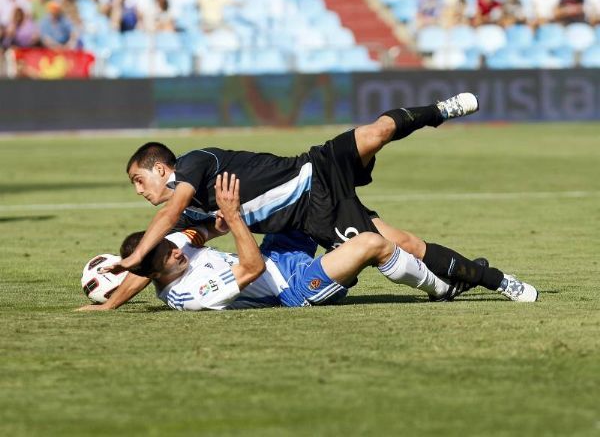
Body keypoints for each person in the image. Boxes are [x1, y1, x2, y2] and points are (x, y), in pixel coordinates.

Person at [100, 93, 537, 306]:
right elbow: (154, 266)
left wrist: (135, 250)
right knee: (403, 242)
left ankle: (439, 112)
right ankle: (492, 279)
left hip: (314, 169)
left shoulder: (193, 165)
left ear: (161, 169)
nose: (141, 192)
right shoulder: (185, 219)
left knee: (374, 133)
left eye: (139, 181)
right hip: (313, 216)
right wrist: (111, 299)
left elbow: (171, 215)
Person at [94, 173, 534, 313]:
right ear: (163, 269)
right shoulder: (191, 296)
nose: (179, 247)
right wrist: (233, 217)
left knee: (307, 203)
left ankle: (394, 237)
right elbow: (250, 270)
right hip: (292, 288)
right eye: (173, 250)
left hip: (275, 256)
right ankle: (444, 287)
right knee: (368, 245)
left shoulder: (165, 259)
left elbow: (149, 265)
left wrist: (108, 303)